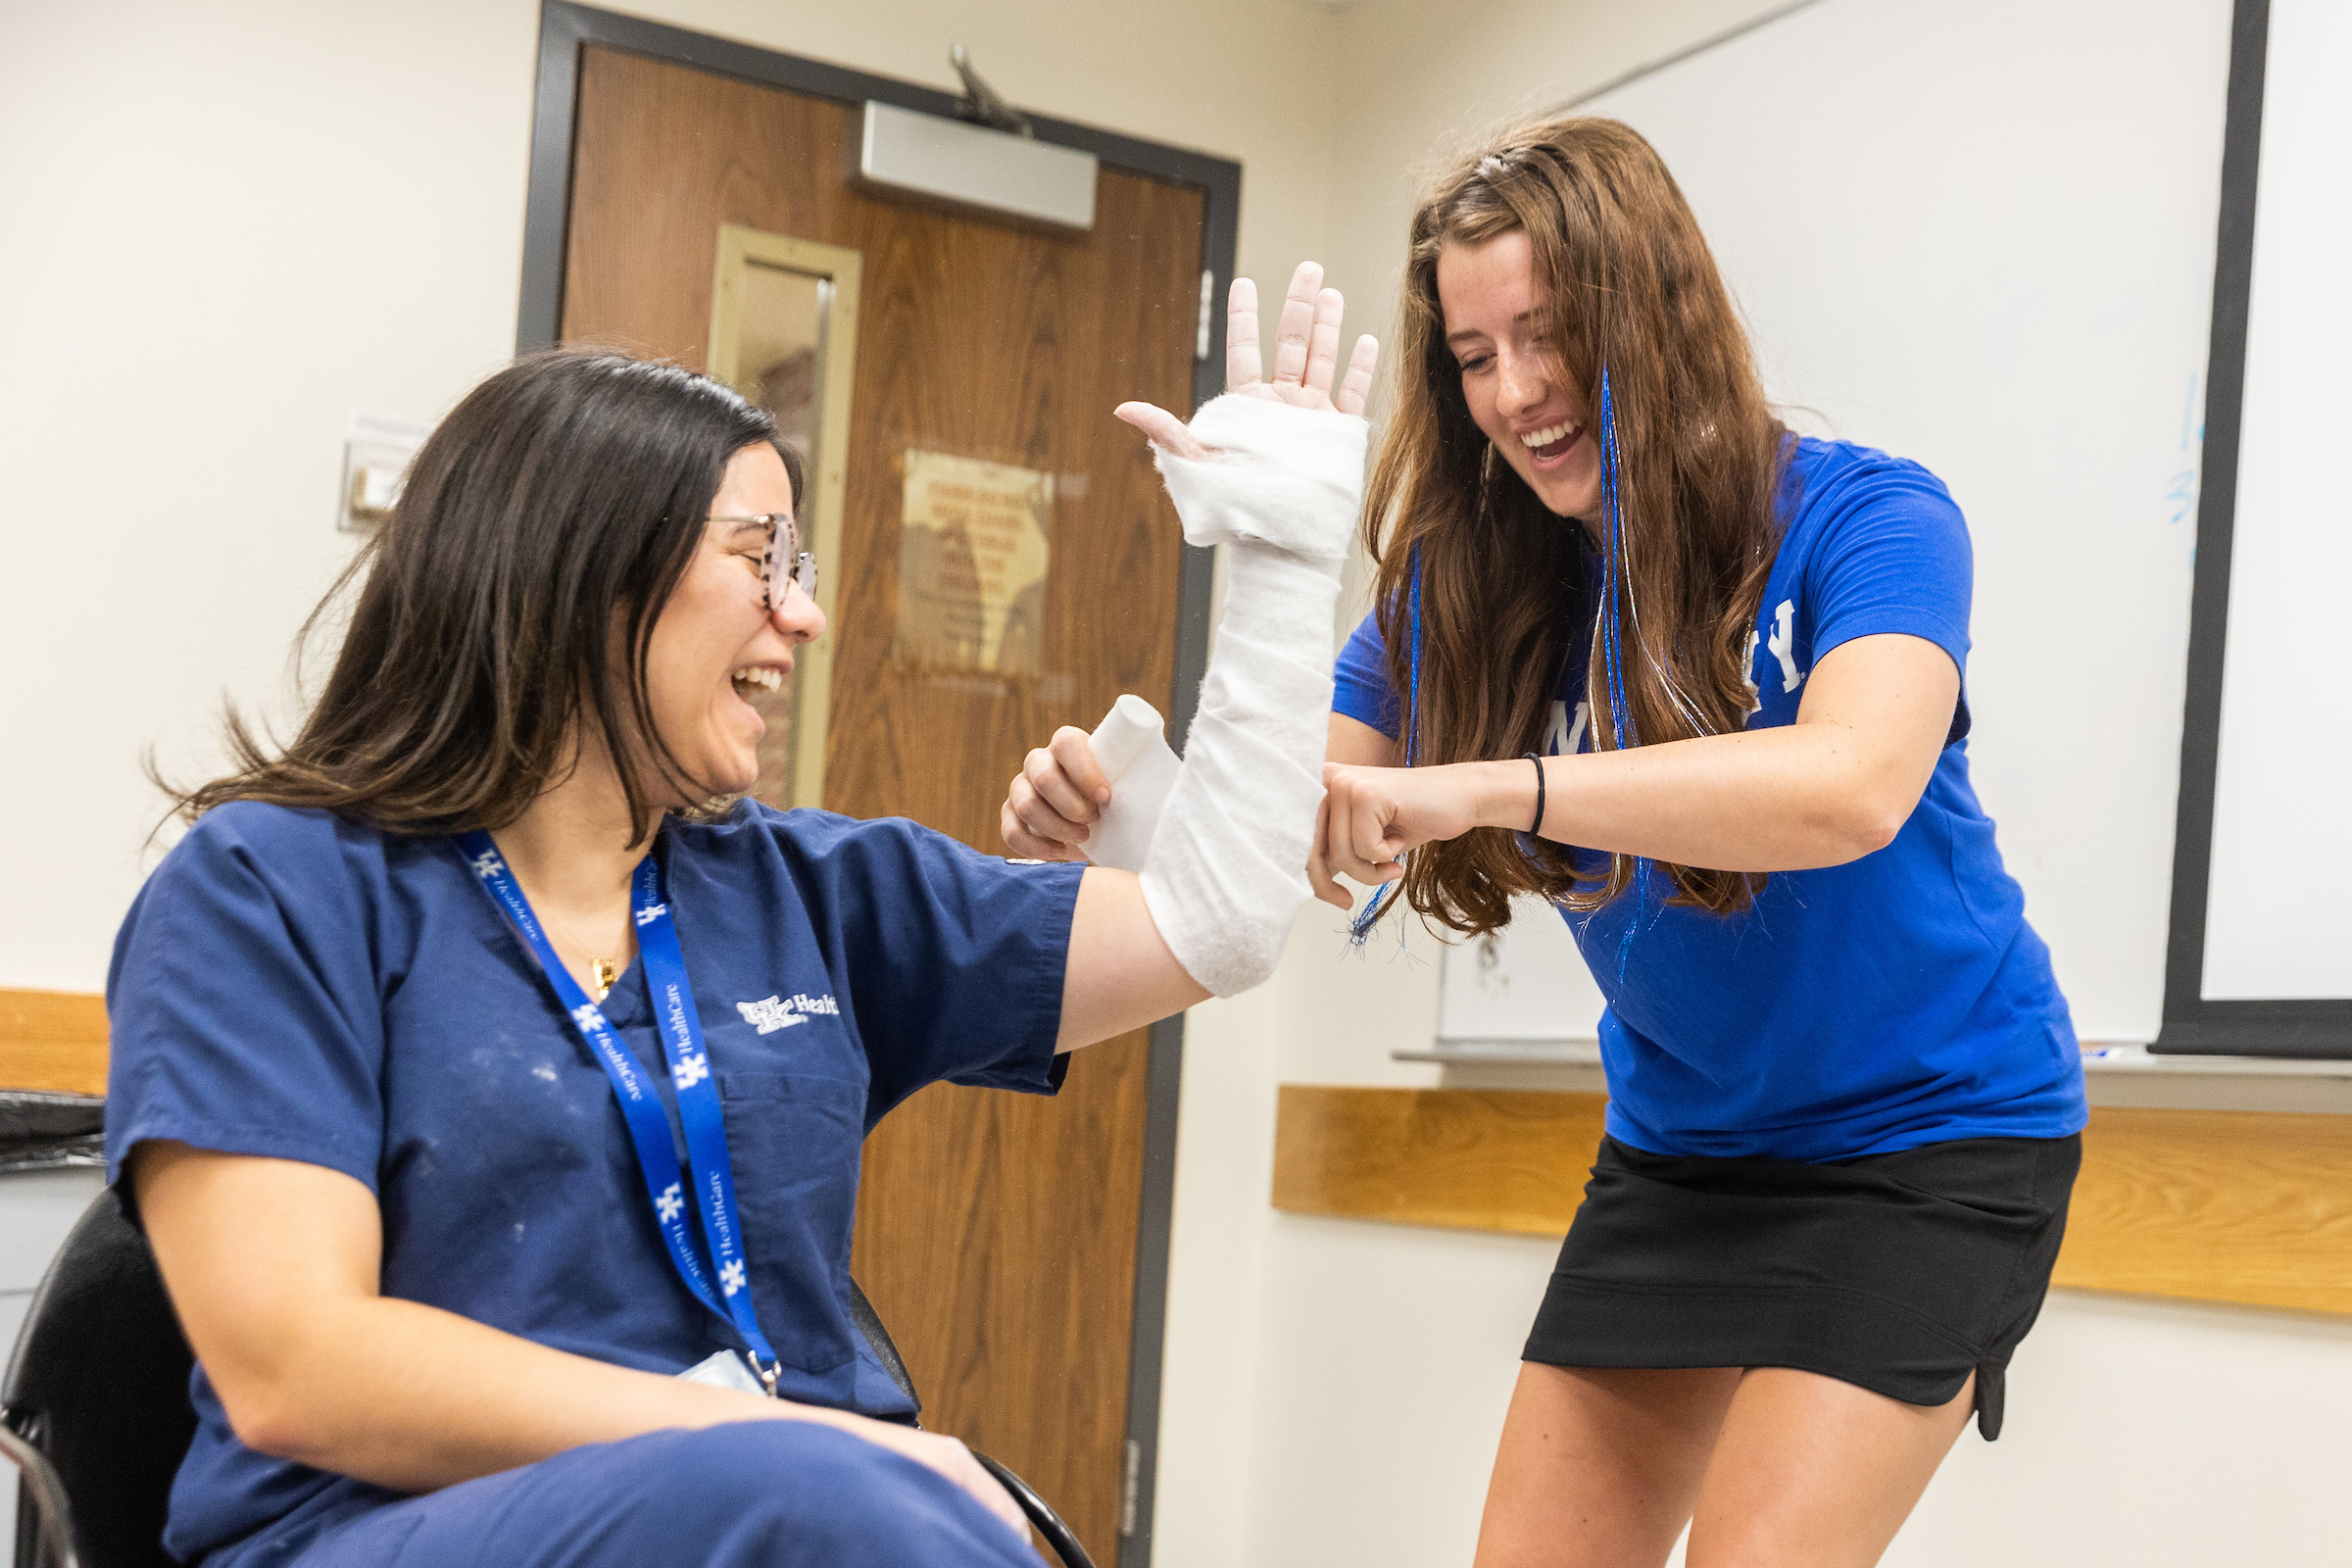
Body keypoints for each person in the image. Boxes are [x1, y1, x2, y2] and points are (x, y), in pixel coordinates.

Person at [109, 271, 1373, 1568]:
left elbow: (1215, 926)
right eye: (763, 557)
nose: (805, 615)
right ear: (580, 569)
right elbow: (294, 1367)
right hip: (383, 1530)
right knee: (825, 1506)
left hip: (782, 1514)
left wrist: (1283, 566)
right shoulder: (268, 890)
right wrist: (774, 1441)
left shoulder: (805, 892)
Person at [1003, 119, 2086, 1568]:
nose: (1514, 393)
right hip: (1687, 1147)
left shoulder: (1862, 513)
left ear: (1648, 308)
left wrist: (1501, 787)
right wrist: (1122, 822)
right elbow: (1289, 826)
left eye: (1547, 335)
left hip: (1931, 1135)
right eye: (1471, 355)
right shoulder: (1464, 586)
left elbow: (1852, 787)